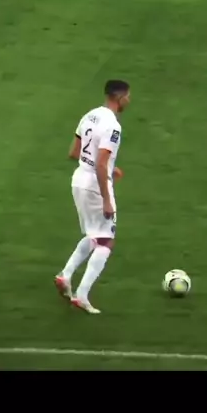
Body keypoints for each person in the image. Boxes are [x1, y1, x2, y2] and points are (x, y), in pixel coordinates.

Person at [54, 79, 130, 313]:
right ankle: (82, 295)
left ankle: (66, 275)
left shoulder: (90, 115)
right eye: (128, 96)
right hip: (96, 185)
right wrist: (106, 198)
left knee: (94, 234)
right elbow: (100, 163)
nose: (129, 100)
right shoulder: (113, 126)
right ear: (119, 98)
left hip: (79, 180)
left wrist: (108, 168)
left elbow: (74, 152)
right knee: (107, 240)